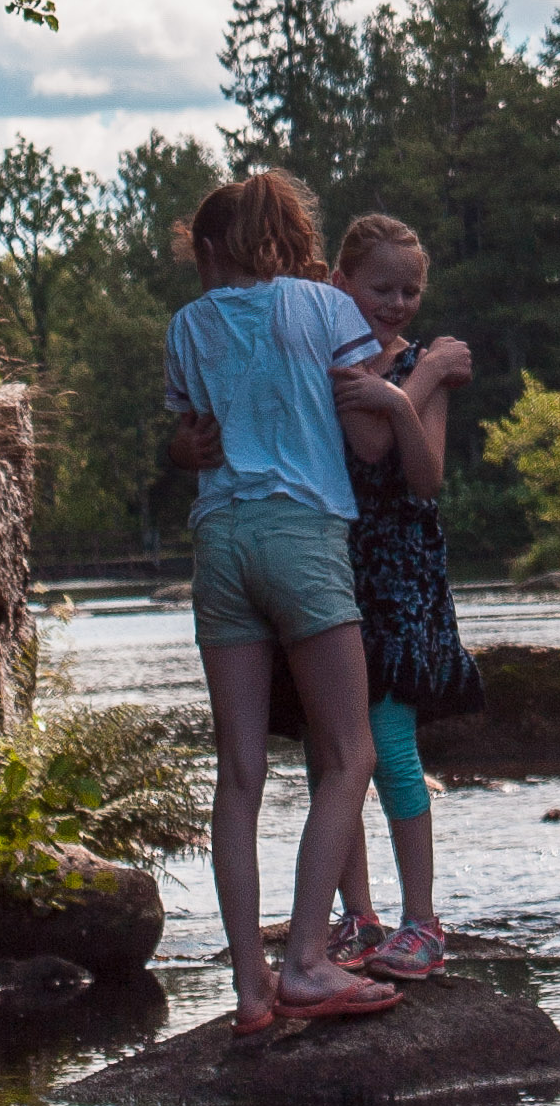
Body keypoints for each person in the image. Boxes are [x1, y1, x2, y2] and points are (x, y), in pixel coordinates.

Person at [164, 168, 400, 1035]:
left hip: (220, 543)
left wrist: (188, 450)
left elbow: (194, 439)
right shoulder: (324, 308)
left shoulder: (187, 328)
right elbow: (364, 429)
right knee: (349, 754)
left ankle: (251, 988)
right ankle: (306, 960)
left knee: (240, 772)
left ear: (214, 249)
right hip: (302, 536)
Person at [320, 212, 475, 982]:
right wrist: (401, 388)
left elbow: (423, 475)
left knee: (390, 749)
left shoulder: (424, 366)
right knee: (334, 753)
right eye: (382, 286)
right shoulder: (334, 360)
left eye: (411, 289)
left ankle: (423, 922)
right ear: (339, 282)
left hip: (399, 581)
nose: (398, 301)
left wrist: (403, 393)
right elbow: (359, 441)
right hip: (330, 571)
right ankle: (359, 915)